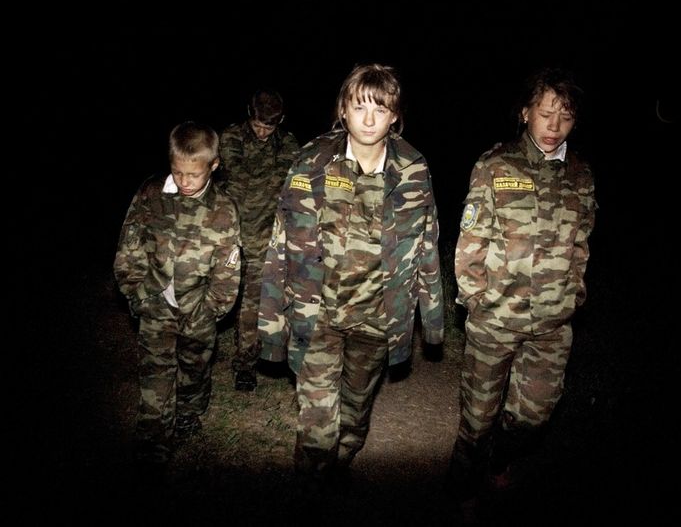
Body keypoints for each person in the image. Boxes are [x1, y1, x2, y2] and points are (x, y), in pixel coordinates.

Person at [258, 63, 444, 487]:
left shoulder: (414, 169)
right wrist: (270, 325)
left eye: (380, 109)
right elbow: (280, 244)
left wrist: (432, 323)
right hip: (316, 314)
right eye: (359, 107)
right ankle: (311, 487)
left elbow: (427, 245)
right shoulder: (311, 161)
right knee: (318, 430)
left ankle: (339, 459)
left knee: (354, 418)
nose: (369, 119)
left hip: (376, 319)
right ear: (342, 109)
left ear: (395, 115)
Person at [448, 67, 597, 504]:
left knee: (533, 416)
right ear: (525, 112)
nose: (554, 127)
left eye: (565, 117)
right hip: (495, 320)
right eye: (545, 113)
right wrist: (477, 302)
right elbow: (470, 242)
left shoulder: (582, 175)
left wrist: (574, 296)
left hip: (553, 325)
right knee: (477, 419)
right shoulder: (496, 166)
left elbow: (583, 243)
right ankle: (462, 483)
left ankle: (499, 457)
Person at [113, 121, 242, 464]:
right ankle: (152, 441)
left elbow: (228, 270)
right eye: (178, 172)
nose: (185, 181)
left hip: (198, 308)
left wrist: (211, 310)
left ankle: (189, 409)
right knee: (155, 372)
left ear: (213, 166)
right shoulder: (151, 194)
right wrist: (136, 292)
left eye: (194, 174)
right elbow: (130, 245)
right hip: (155, 303)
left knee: (194, 366)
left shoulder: (223, 210)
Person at [217, 89, 300, 392]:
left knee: (252, 305)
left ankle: (245, 366)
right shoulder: (229, 139)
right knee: (212, 301)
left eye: (270, 126)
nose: (263, 131)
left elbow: (292, 192)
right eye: (258, 124)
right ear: (248, 115)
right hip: (226, 237)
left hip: (263, 239)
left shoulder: (289, 146)